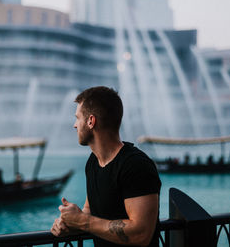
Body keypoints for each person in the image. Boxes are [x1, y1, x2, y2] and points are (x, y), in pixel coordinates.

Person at [51, 86, 161, 247]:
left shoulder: (136, 165)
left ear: (90, 121)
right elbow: (90, 211)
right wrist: (69, 223)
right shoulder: (93, 162)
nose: (74, 125)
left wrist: (82, 221)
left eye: (77, 118)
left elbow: (141, 234)